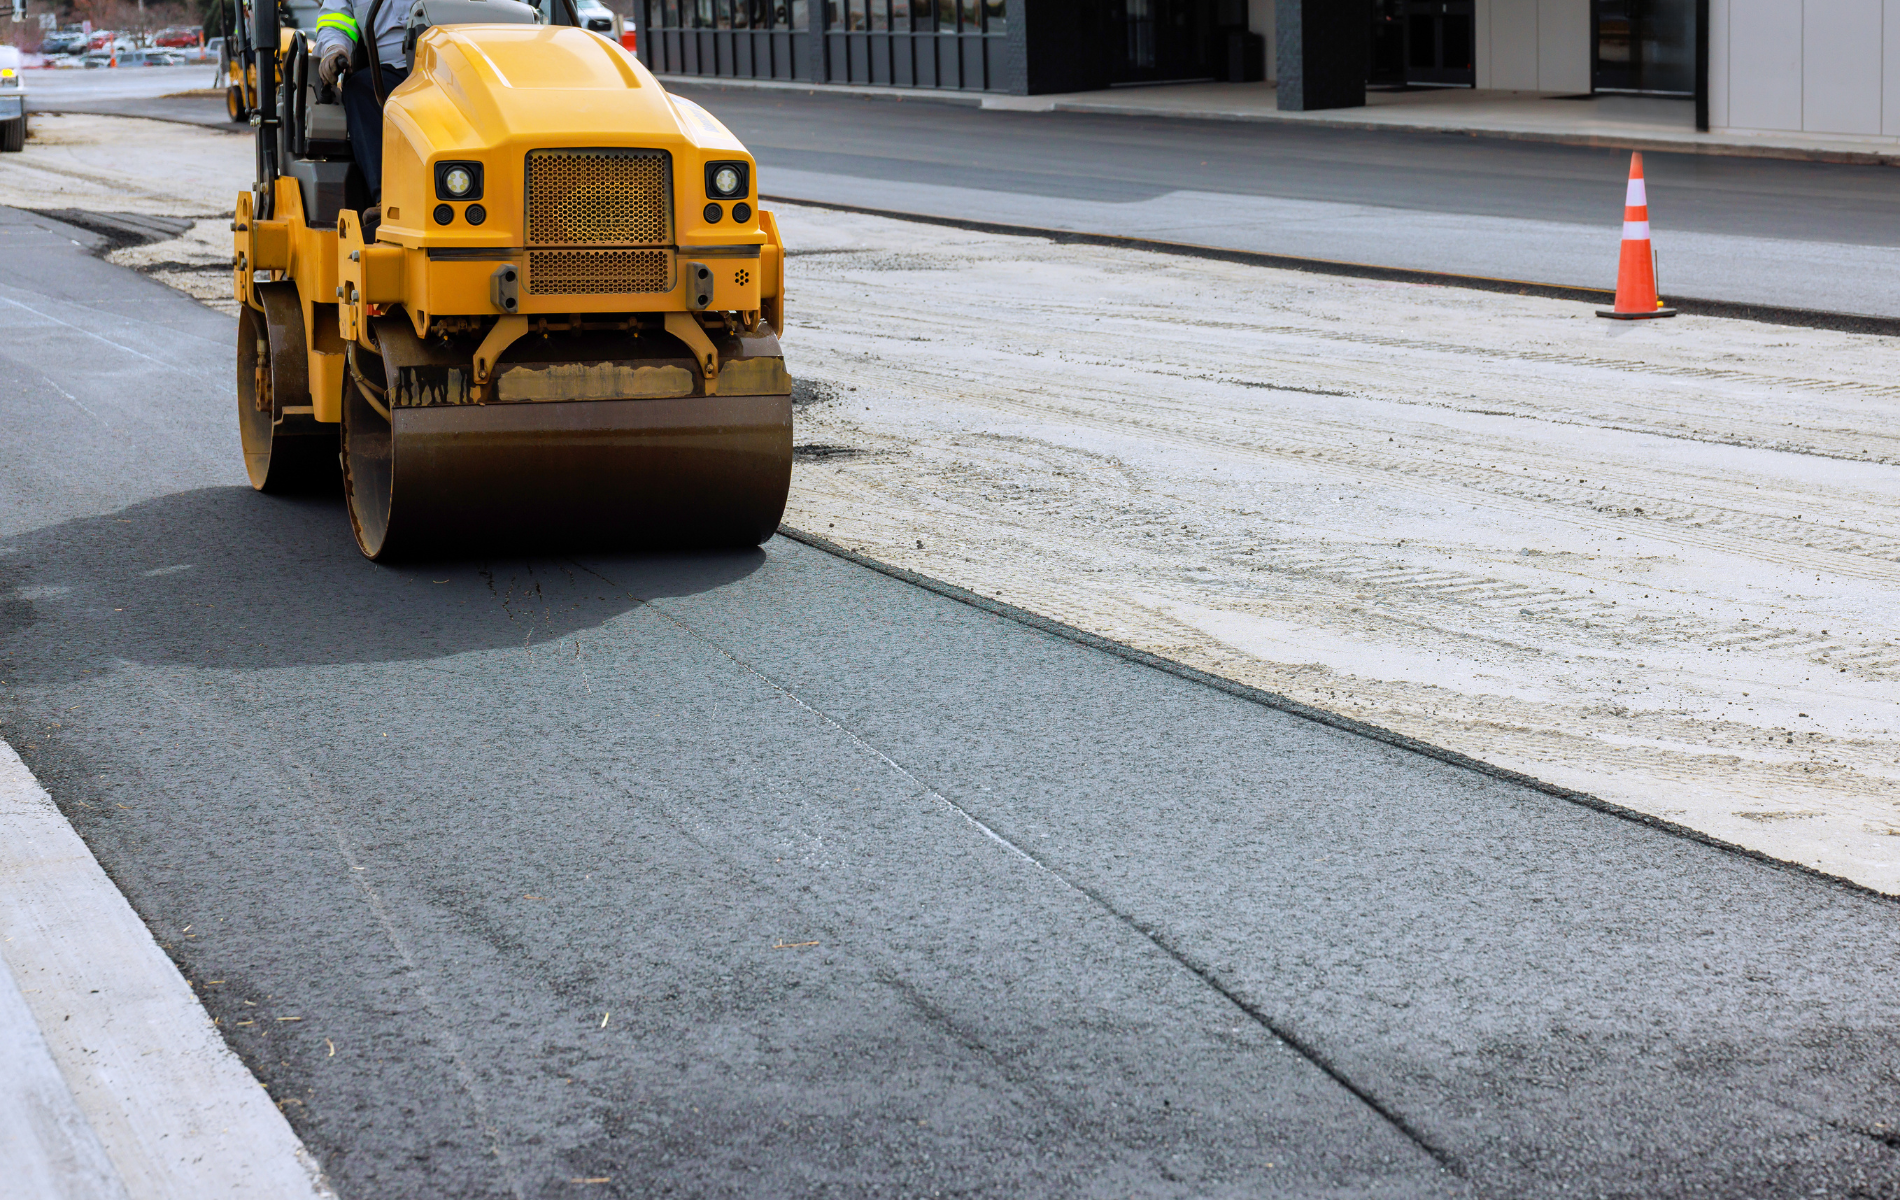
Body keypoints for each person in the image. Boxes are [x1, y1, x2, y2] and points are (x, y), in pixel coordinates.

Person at [313, 0, 410, 197]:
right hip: (389, 69)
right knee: (360, 89)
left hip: (451, 61)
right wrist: (334, 48)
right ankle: (387, 198)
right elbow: (336, 21)